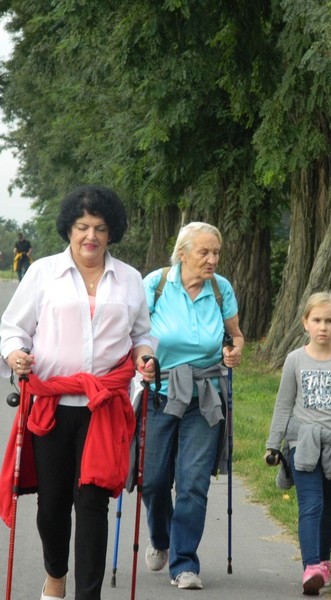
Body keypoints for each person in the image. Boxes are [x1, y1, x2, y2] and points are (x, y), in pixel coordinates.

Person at [0, 184, 154, 600]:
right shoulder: (43, 273)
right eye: (83, 226)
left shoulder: (129, 279)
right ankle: (55, 574)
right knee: (52, 506)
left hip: (103, 407)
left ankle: (89, 595)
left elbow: (142, 335)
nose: (91, 236)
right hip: (52, 405)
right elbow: (12, 329)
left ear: (111, 231)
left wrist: (145, 358)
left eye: (100, 228)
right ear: (68, 228)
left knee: (92, 502)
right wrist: (16, 355)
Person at [140, 221, 244, 590]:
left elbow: (235, 334)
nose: (212, 259)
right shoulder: (155, 284)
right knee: (152, 480)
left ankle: (184, 563)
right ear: (182, 253)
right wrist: (142, 359)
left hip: (205, 396)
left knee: (193, 482)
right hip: (160, 392)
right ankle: (161, 538)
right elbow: (136, 334)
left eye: (216, 252)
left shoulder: (220, 288)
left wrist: (234, 352)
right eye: (204, 252)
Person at [264, 291, 331, 596]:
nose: (323, 326)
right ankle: (310, 568)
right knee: (311, 504)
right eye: (317, 320)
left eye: (329, 321)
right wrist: (273, 444)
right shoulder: (294, 360)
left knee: (329, 509)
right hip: (303, 442)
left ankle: (323, 562)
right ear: (305, 322)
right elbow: (284, 404)